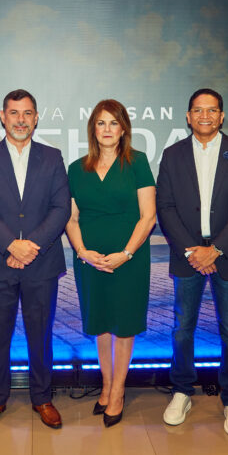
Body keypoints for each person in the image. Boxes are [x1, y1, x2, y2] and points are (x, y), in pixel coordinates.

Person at [156, 88, 228, 437]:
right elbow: (165, 207)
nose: (205, 115)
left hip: (227, 255)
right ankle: (182, 391)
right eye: (198, 110)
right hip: (187, 256)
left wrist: (216, 249)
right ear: (188, 116)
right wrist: (192, 250)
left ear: (221, 116)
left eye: (212, 110)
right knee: (182, 327)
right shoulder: (172, 155)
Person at [0, 89, 71, 430]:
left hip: (41, 263)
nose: (21, 120)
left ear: (36, 118)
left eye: (27, 113)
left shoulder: (52, 157)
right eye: (14, 113)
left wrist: (31, 246)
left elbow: (61, 208)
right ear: (3, 116)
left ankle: (42, 397)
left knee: (40, 335)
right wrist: (12, 245)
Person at [65, 99, 156, 427]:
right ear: (93, 128)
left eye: (113, 123)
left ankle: (118, 392)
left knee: (125, 324)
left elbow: (148, 217)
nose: (107, 129)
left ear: (123, 129)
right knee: (100, 323)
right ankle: (105, 386)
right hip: (90, 262)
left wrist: (126, 254)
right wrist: (82, 251)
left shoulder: (138, 162)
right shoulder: (76, 169)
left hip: (129, 260)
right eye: (101, 123)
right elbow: (71, 218)